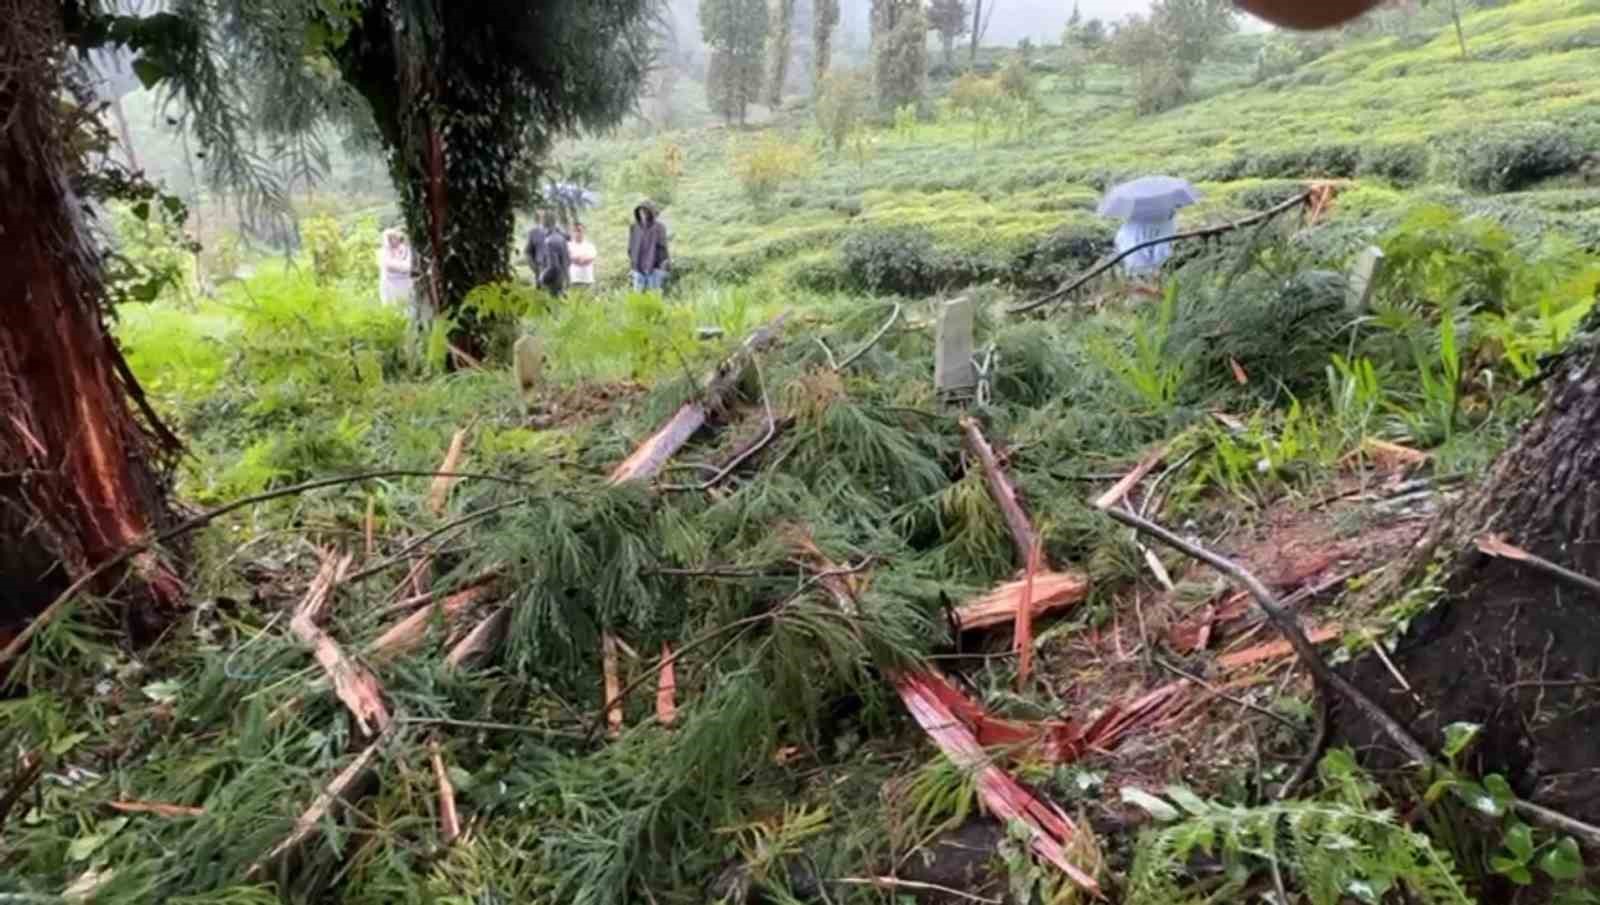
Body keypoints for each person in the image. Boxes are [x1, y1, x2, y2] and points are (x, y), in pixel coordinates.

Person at [377, 228, 424, 324]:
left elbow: (410, 265)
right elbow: (392, 266)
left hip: (405, 284)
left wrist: (407, 266)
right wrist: (405, 267)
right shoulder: (383, 253)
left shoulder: (405, 249)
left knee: (409, 308)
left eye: (394, 237)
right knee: (394, 309)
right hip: (391, 286)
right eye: (390, 238)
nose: (393, 240)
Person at [627, 200, 670, 292]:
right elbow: (631, 246)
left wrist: (662, 265)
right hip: (638, 267)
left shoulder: (659, 227)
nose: (643, 214)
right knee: (637, 297)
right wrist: (633, 264)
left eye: (646, 211)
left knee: (654, 296)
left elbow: (663, 247)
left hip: (655, 267)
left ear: (652, 213)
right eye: (641, 211)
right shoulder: (634, 227)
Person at [536, 213, 571, 298]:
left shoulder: (550, 241)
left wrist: (542, 278)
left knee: (552, 307)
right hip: (563, 279)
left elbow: (553, 266)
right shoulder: (561, 238)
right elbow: (568, 261)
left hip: (553, 283)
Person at [568, 222, 597, 290]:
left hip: (587, 280)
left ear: (584, 231)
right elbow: (570, 258)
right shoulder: (568, 245)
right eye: (574, 231)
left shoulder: (590, 246)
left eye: (579, 230)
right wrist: (581, 257)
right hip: (573, 279)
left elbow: (589, 259)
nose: (577, 233)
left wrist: (576, 257)